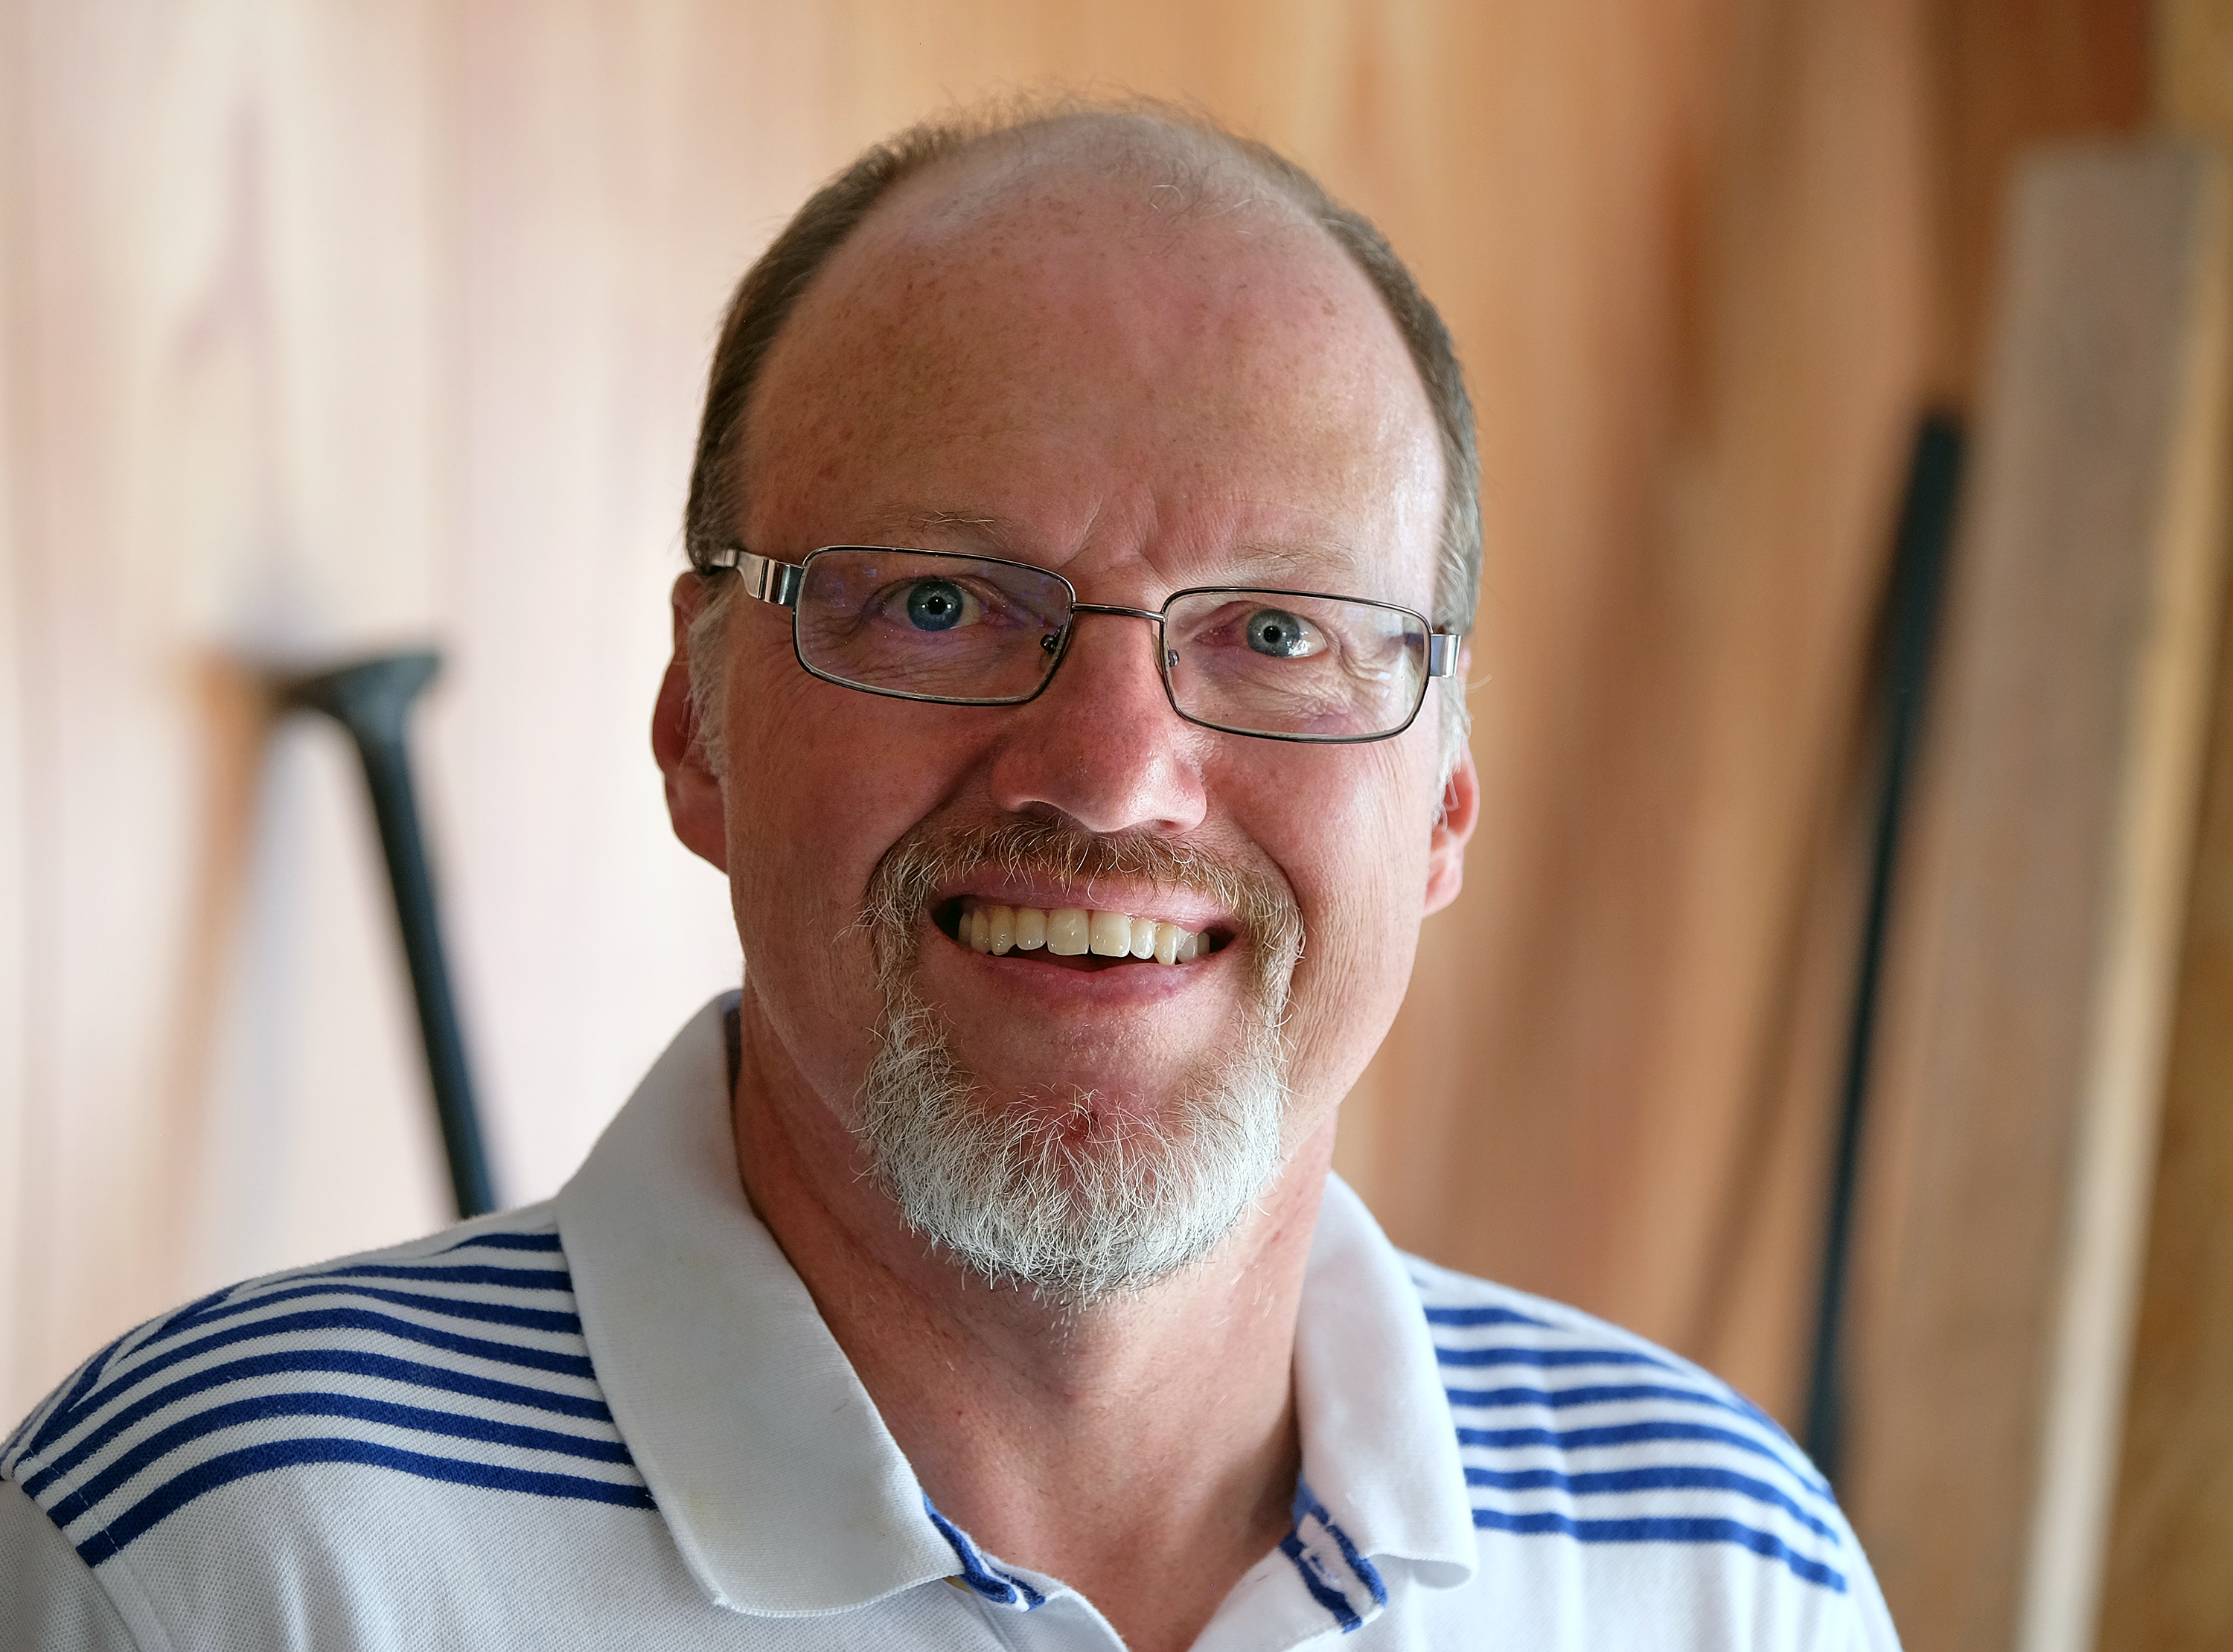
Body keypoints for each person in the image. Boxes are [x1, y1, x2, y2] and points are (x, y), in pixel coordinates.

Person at [1, 100, 1899, 1651]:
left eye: (1278, 634)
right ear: (695, 721)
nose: (1111, 773)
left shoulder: (1725, 1578)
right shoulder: (223, 1569)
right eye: (936, 604)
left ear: (1447, 797)